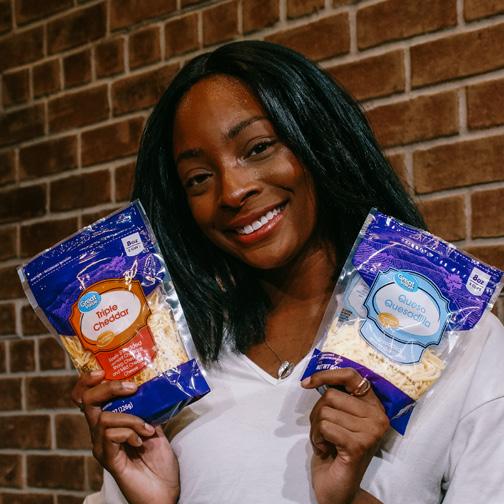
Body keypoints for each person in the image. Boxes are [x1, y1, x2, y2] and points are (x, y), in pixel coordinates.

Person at [75, 41, 504, 504]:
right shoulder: (177, 367)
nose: (231, 191)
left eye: (258, 148)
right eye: (198, 178)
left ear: (322, 141)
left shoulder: (459, 342)